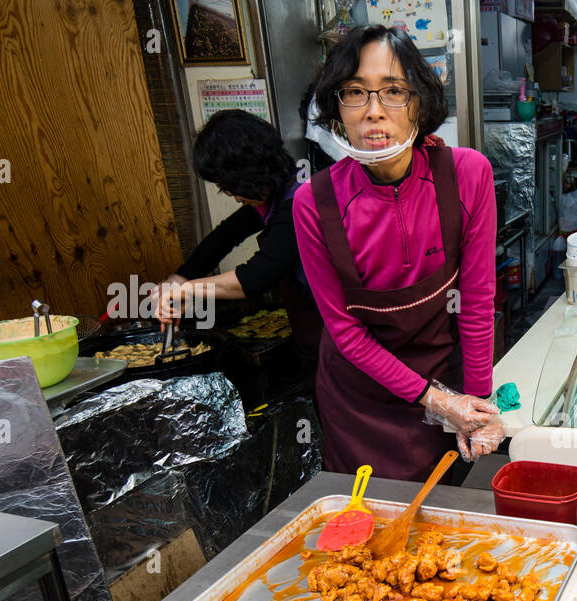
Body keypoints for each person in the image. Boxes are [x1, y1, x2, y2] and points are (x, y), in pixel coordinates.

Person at [293, 25, 502, 481]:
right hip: (359, 402)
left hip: (442, 378)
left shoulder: (467, 174)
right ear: (336, 108)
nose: (374, 113)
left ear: (420, 104)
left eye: (393, 91)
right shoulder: (314, 202)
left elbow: (477, 302)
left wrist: (475, 405)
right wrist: (437, 399)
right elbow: (346, 334)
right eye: (355, 92)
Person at [157, 110, 322, 377]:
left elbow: (256, 277)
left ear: (251, 172)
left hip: (341, 327)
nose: (233, 196)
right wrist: (179, 277)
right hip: (315, 329)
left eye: (232, 186)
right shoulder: (277, 191)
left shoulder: (303, 201)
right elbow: (225, 236)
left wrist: (189, 289)